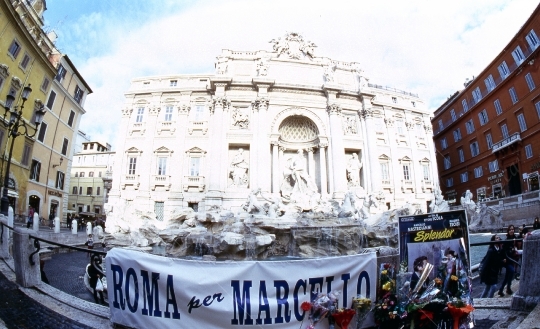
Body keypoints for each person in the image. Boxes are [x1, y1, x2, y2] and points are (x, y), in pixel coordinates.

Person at [498, 225, 518, 296]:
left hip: (512, 259)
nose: (511, 230)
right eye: (510, 229)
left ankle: (501, 290)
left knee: (507, 275)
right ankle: (508, 288)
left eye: (512, 229)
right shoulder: (506, 240)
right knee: (512, 271)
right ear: (508, 231)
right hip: (507, 259)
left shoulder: (515, 238)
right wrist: (511, 250)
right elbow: (504, 251)